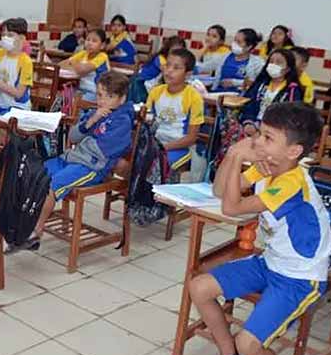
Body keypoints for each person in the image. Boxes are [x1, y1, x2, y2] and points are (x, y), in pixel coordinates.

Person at [188, 103, 331, 355]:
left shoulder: (291, 182)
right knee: (199, 287)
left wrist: (239, 156)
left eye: (267, 137)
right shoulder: (269, 166)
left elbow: (231, 208)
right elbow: (218, 190)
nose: (257, 142)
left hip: (300, 276)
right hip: (271, 261)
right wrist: (232, 157)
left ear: (293, 150)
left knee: (250, 344)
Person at [20, 72, 134, 251]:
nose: (102, 101)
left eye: (109, 96)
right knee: (34, 173)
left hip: (90, 168)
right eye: (99, 95)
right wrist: (92, 121)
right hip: (71, 158)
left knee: (51, 185)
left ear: (122, 99)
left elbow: (103, 151)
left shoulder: (122, 121)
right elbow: (73, 137)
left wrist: (88, 138)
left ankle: (35, 232)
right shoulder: (94, 113)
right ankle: (25, 219)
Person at [146, 48, 204, 174]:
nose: (169, 71)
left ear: (188, 74)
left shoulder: (193, 97)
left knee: (158, 166)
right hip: (156, 142)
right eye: (167, 65)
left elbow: (191, 138)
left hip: (180, 147)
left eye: (176, 68)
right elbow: (148, 121)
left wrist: (163, 148)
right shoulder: (156, 91)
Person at [240, 49, 305, 135]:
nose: (273, 65)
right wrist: (249, 122)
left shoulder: (292, 89)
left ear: (288, 69)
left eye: (279, 62)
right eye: (271, 61)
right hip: (253, 125)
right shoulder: (261, 85)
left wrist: (264, 129)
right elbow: (248, 104)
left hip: (275, 130)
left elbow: (290, 116)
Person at [197, 27, 264, 92]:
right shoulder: (224, 57)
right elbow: (203, 67)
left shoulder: (257, 63)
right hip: (217, 94)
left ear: (249, 46)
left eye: (239, 42)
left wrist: (235, 82)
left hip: (240, 98)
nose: (234, 44)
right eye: (235, 40)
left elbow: (258, 83)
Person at [58, 28, 110, 101]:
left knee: (74, 102)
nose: (89, 43)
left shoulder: (102, 57)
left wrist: (72, 63)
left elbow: (82, 70)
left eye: (94, 41)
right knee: (61, 97)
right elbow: (60, 65)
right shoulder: (83, 53)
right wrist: (74, 64)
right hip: (80, 89)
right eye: (88, 40)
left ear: (102, 45)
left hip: (96, 93)